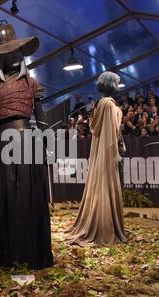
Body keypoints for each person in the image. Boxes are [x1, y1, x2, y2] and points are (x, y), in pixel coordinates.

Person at [0, 24, 54, 269]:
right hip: (1, 144)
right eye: (10, 52)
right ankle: (5, 254)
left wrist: (47, 141)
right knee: (4, 196)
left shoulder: (32, 85)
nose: (16, 55)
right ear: (1, 57)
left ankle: (31, 252)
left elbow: (41, 119)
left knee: (27, 197)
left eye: (19, 51)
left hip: (28, 145)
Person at [67, 71, 127, 246]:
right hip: (108, 155)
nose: (118, 85)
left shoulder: (100, 105)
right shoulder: (108, 106)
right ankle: (105, 226)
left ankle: (103, 223)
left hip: (102, 154)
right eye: (117, 82)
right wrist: (115, 154)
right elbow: (110, 134)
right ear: (111, 85)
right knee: (107, 187)